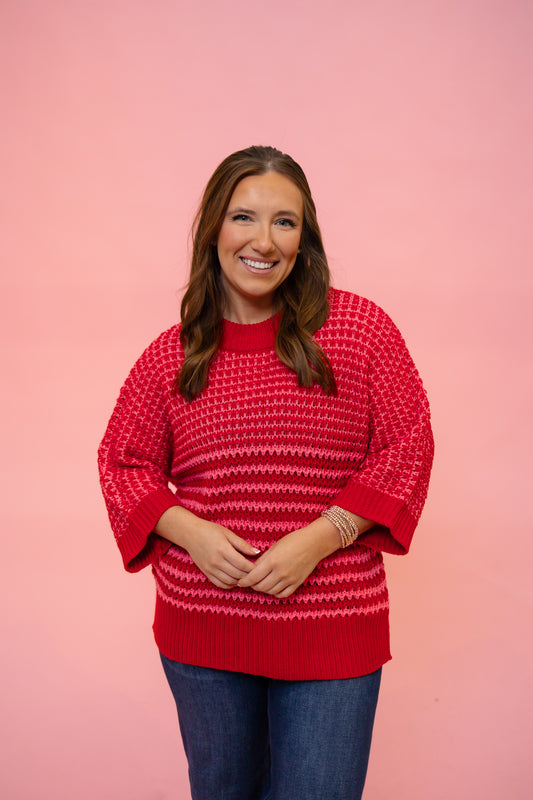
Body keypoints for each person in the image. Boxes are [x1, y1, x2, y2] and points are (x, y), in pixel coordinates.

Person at [98, 145, 434, 800]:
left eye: (285, 221)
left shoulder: (360, 330)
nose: (263, 240)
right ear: (213, 230)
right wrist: (189, 532)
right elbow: (121, 460)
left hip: (332, 626)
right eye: (243, 217)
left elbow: (408, 443)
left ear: (304, 238)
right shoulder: (173, 355)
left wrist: (324, 535)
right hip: (202, 631)